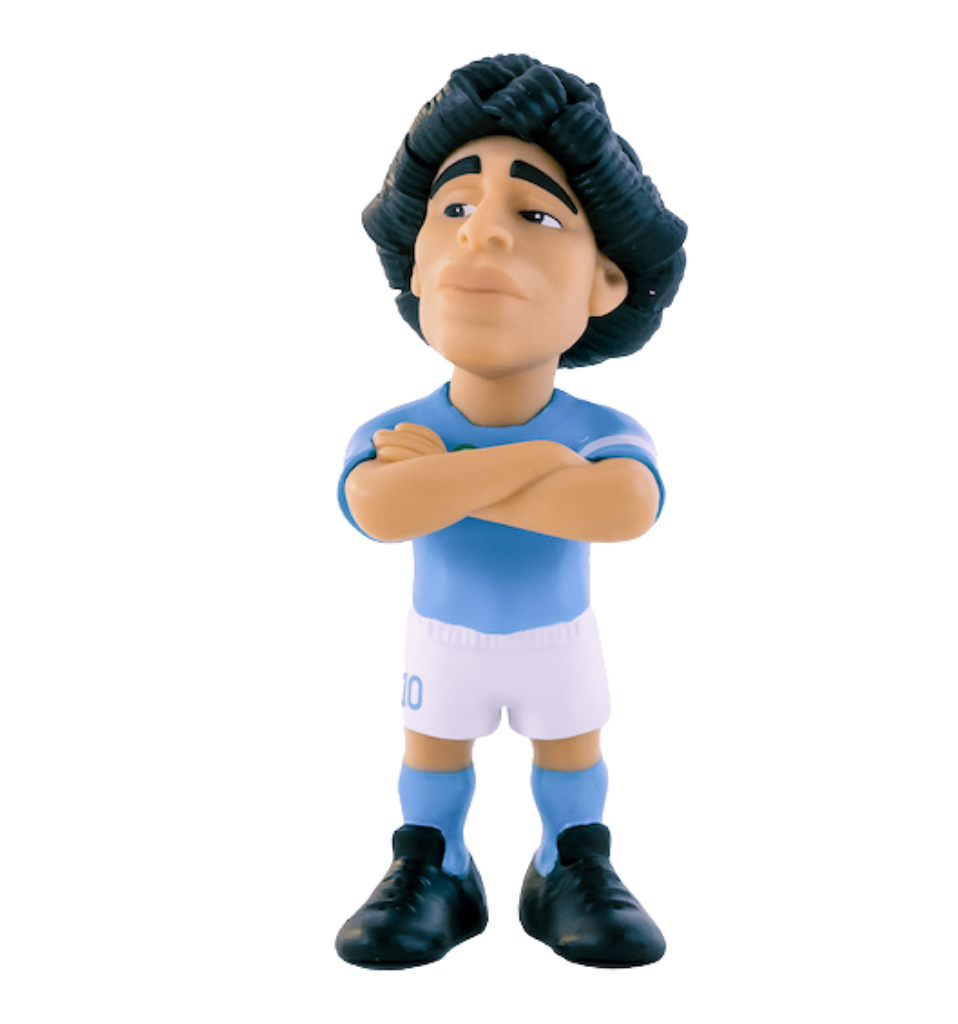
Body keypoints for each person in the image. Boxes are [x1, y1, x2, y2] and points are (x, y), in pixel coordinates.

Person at [335, 54, 688, 970]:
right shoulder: (394, 428)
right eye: (454, 208)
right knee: (431, 755)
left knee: (571, 753)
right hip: (442, 638)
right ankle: (434, 863)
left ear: (605, 281)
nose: (482, 233)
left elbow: (622, 508)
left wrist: (452, 474)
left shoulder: (599, 429)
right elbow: (378, 508)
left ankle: (571, 862)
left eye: (534, 215)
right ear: (417, 261)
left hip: (556, 638)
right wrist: (538, 466)